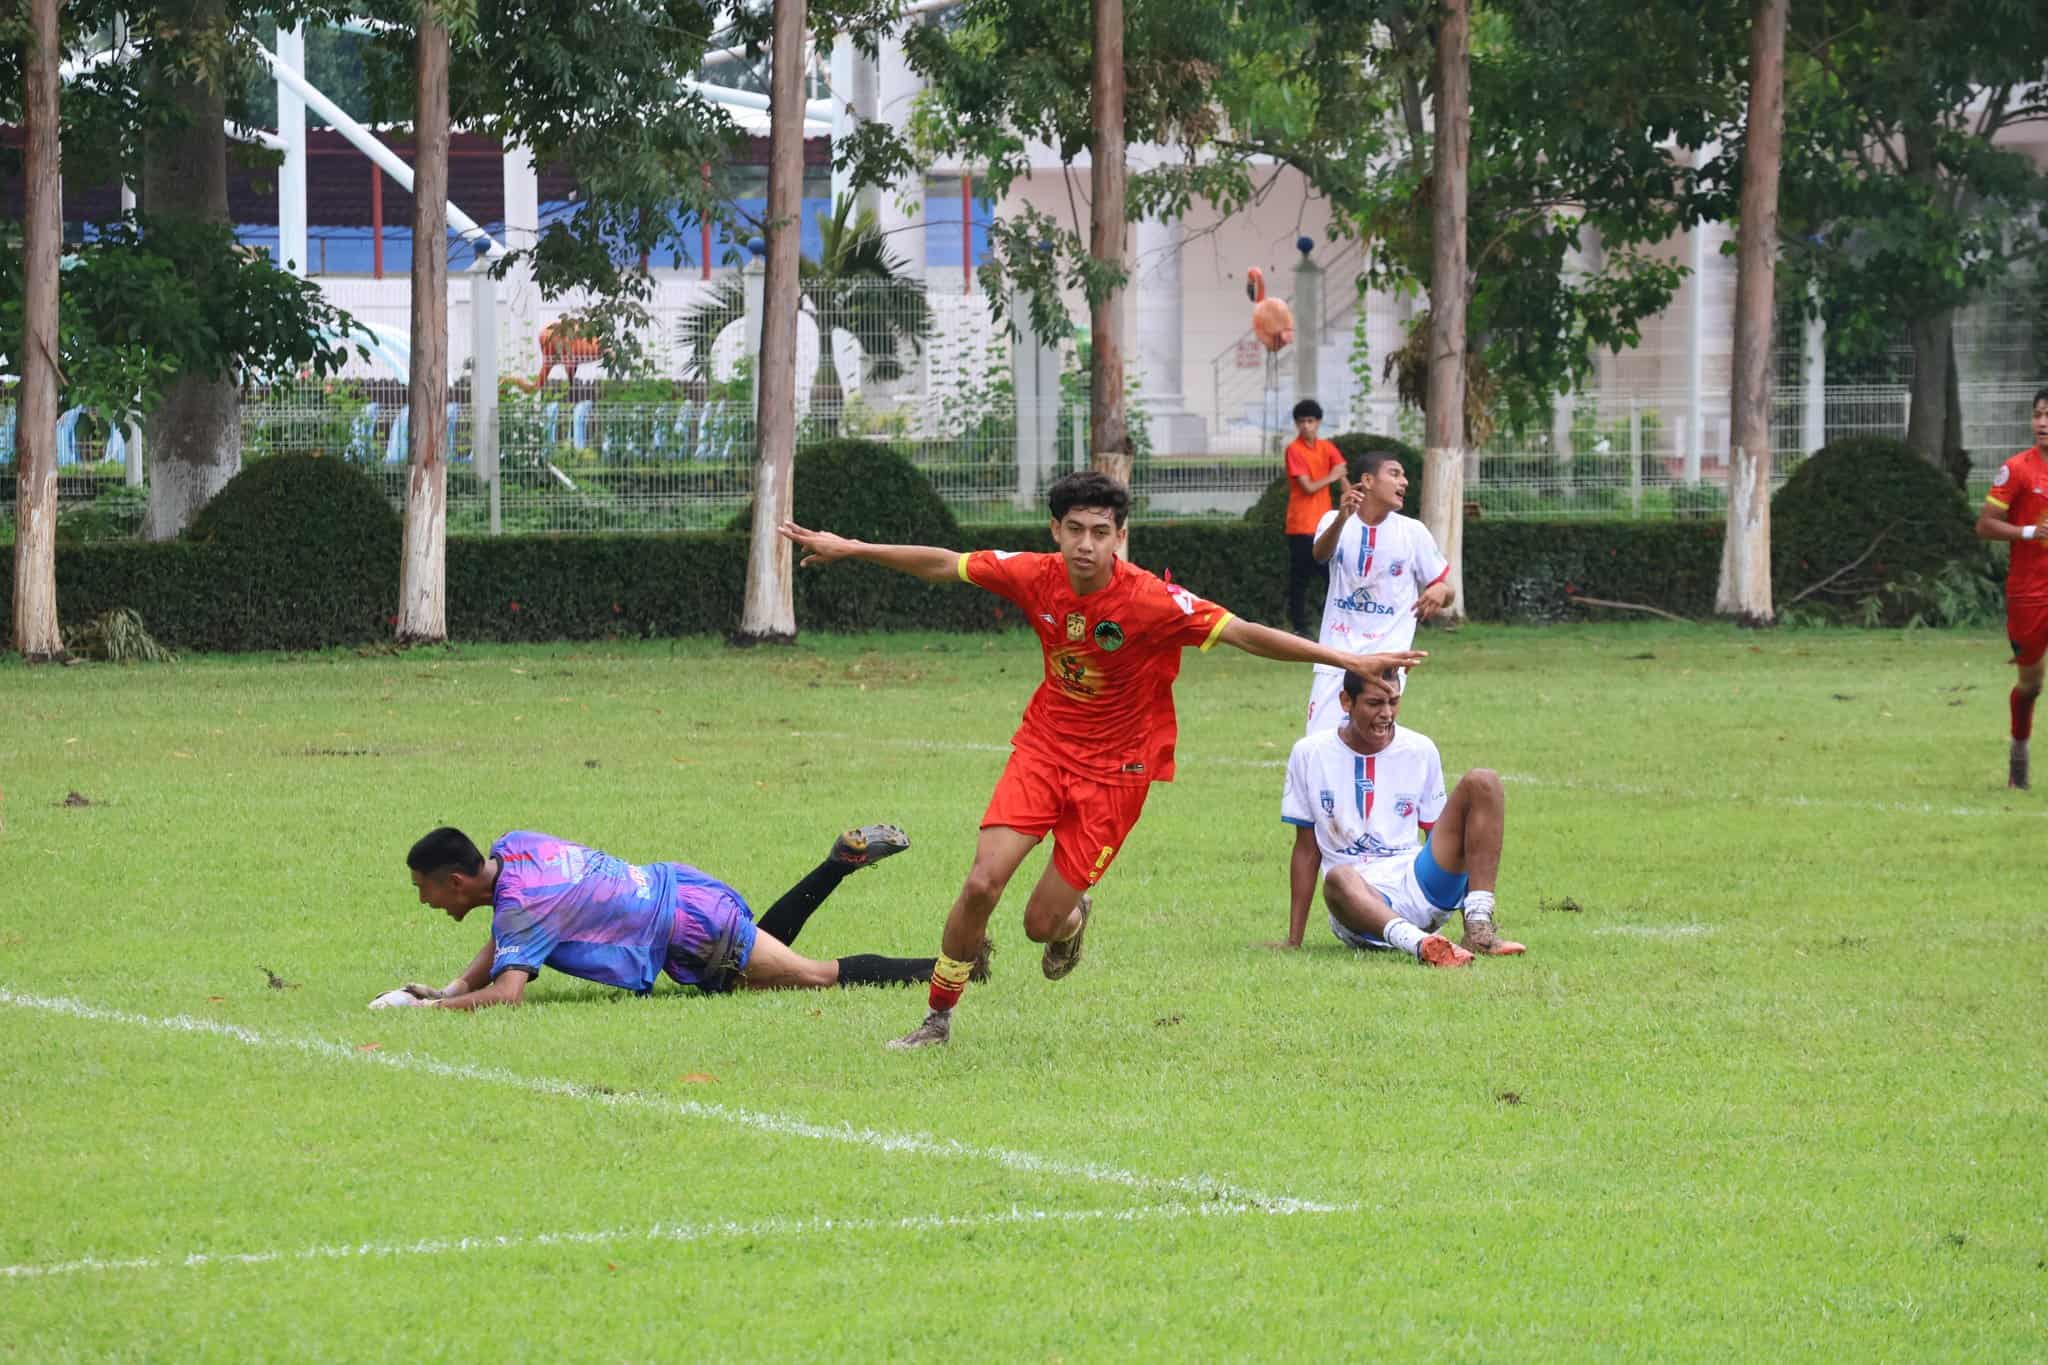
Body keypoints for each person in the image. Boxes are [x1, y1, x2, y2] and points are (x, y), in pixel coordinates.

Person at [779, 470, 1428, 1048]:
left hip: (1116, 774)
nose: (1086, 544)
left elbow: (1244, 633)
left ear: (1120, 534)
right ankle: (938, 1019)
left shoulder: (1149, 600)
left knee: (1039, 924)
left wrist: (1347, 659)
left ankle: (1072, 918)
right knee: (981, 882)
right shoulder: (1035, 574)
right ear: (1055, 530)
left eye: (1100, 531)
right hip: (1043, 749)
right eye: (1074, 530)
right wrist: (853, 548)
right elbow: (945, 564)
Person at [384, 822, 981, 1009]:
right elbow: (509, 934)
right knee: (761, 955)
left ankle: (958, 967)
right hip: (685, 890)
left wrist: (437, 1011)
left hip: (693, 931)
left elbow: (508, 993)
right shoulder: (516, 847)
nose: (423, 901)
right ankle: (835, 865)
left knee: (812, 973)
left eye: (425, 890)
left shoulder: (522, 906)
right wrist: (455, 986)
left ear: (457, 882)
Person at [1277, 669, 1524, 966]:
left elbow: (1445, 840)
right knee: (1338, 876)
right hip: (1359, 904)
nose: (1386, 713)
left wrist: (1465, 911)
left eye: (1393, 702)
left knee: (1484, 781)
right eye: (1374, 703)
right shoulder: (1309, 753)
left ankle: (1479, 928)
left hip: (1419, 884)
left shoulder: (1420, 749)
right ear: (1346, 701)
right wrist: (1294, 940)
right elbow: (1305, 848)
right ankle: (1422, 945)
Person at [1305, 449, 1452, 733]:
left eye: (1404, 476)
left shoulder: (1413, 532)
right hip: (1336, 656)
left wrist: (1441, 590)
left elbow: (1447, 588)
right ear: (1368, 481)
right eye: (1395, 474)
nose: (1404, 482)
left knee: (1371, 741)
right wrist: (1342, 518)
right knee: (1320, 742)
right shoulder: (1333, 520)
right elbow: (1320, 555)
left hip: (1387, 661)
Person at [1973, 387, 2048, 789]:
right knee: (2031, 684)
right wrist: (2029, 531)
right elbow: (1984, 525)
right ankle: (2019, 757)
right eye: (2038, 414)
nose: (2043, 423)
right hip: (2030, 592)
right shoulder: (2017, 470)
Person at [1283, 399, 1349, 636]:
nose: (1306, 426)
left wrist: (1353, 501)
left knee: (1333, 576)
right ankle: (1300, 627)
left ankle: (1336, 622)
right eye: (1301, 422)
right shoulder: (1294, 450)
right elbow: (1308, 487)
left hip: (1325, 525)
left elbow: (1343, 477)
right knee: (1300, 578)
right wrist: (1332, 476)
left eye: (1310, 421)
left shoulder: (1327, 448)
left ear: (1318, 423)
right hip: (1301, 524)